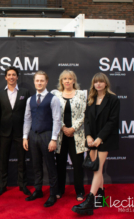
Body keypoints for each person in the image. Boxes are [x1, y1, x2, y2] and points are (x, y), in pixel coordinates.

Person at [72, 72, 120, 215]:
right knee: (95, 169)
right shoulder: (91, 99)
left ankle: (90, 201)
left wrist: (100, 137)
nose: (98, 84)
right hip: (92, 139)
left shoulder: (113, 99)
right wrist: (87, 135)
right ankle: (101, 196)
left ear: (106, 83)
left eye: (101, 82)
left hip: (105, 139)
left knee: (98, 169)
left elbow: (113, 121)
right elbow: (86, 119)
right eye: (95, 82)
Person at [23, 71, 61, 208]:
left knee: (51, 166)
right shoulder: (30, 99)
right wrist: (25, 137)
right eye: (37, 80)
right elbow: (27, 119)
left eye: (42, 81)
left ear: (46, 82)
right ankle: (38, 190)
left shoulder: (53, 98)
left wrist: (54, 139)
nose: (39, 83)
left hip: (47, 135)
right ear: (34, 82)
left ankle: (53, 193)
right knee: (36, 165)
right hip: (33, 136)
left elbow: (57, 119)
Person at [0, 66, 31, 197]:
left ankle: (23, 185)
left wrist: (26, 133)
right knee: (3, 161)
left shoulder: (25, 92)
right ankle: (2, 186)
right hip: (4, 133)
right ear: (5, 77)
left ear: (17, 77)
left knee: (22, 161)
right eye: (9, 75)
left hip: (20, 133)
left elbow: (28, 114)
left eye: (13, 75)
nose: (11, 77)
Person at [51, 70, 87, 201]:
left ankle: (80, 191)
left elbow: (84, 113)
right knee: (60, 164)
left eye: (69, 78)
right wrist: (64, 127)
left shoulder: (82, 94)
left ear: (74, 80)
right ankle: (60, 190)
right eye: (64, 78)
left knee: (78, 165)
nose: (67, 81)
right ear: (61, 81)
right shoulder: (55, 95)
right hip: (60, 135)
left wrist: (73, 128)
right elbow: (54, 114)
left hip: (76, 135)